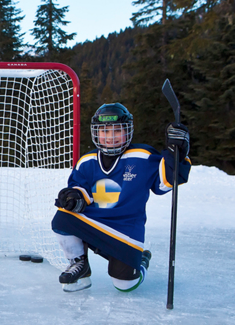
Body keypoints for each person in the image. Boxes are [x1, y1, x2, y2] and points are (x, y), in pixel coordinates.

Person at [51, 103, 191, 292]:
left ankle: (140, 262)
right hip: (96, 223)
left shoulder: (144, 156)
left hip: (126, 231)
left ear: (128, 131)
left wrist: (178, 155)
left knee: (124, 285)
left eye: (117, 131)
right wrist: (73, 197)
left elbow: (164, 184)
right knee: (62, 218)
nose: (110, 137)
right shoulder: (87, 161)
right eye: (105, 131)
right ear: (96, 133)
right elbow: (79, 189)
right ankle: (79, 265)